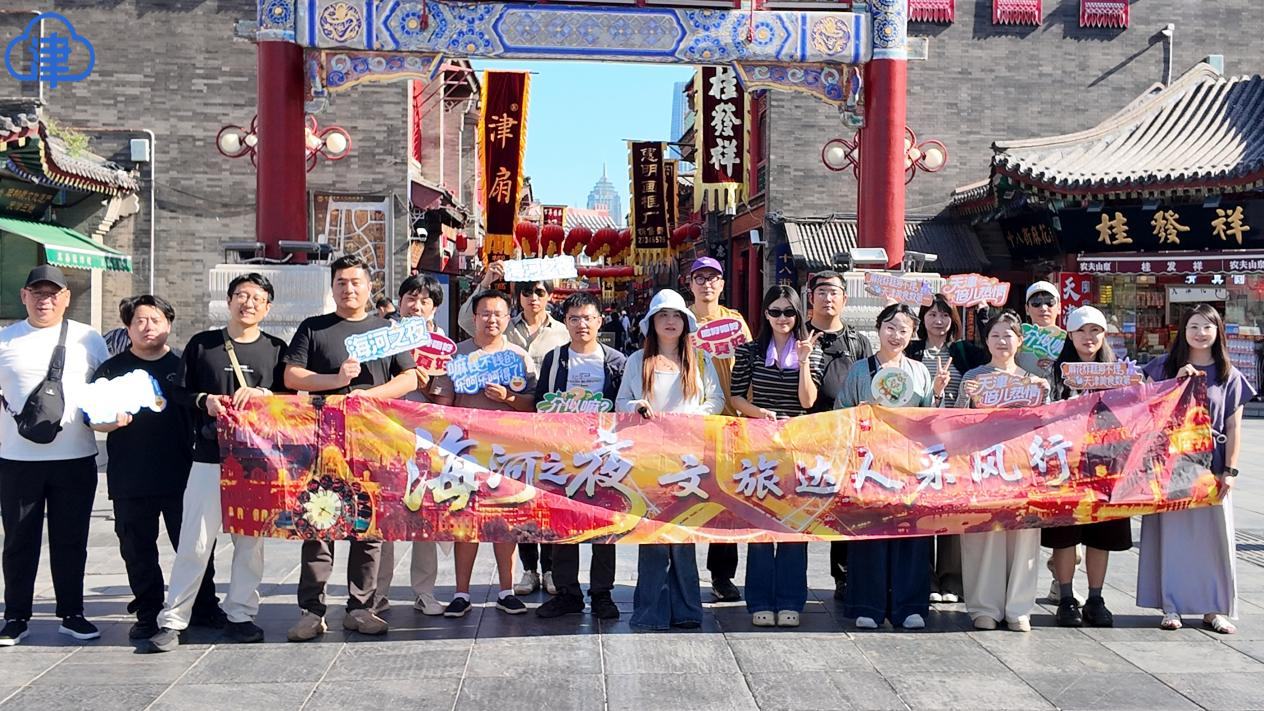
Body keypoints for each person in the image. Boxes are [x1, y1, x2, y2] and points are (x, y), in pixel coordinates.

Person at [145, 274, 288, 653]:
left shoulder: (276, 350)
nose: (248, 303)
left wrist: (264, 395)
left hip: (256, 463)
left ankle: (240, 615)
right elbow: (178, 392)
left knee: (250, 544)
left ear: (268, 307)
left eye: (257, 298)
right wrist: (203, 400)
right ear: (229, 300)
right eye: (241, 295)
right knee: (194, 542)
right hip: (209, 458)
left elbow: (291, 400)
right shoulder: (202, 345)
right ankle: (173, 620)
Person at [284, 256, 419, 642]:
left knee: (368, 522)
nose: (349, 289)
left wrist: (369, 396)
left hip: (373, 438)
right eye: (341, 282)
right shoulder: (314, 328)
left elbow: (410, 377)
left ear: (369, 286)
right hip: (323, 438)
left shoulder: (386, 329)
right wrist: (335, 380)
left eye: (356, 282)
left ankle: (361, 607)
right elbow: (292, 375)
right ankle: (312, 611)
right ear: (332, 287)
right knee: (317, 518)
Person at [90, 295, 224, 642]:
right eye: (139, 321)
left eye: (155, 320)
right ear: (128, 328)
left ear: (168, 324)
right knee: (136, 548)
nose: (147, 327)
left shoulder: (185, 366)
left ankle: (203, 606)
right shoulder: (111, 370)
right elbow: (91, 417)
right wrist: (109, 423)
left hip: (182, 474)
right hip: (130, 475)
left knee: (195, 546)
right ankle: (148, 611)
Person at [0, 266, 108, 646]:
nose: (44, 300)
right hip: (17, 460)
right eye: (37, 293)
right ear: (24, 296)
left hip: (75, 456)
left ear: (65, 298)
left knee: (71, 538)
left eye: (52, 293)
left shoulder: (89, 339)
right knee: (18, 540)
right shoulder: (5, 340)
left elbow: (105, 390)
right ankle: (16, 616)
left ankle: (72, 613)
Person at [1139, 303, 1252, 634]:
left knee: (1214, 538)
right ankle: (1171, 606)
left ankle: (1213, 608)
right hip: (1170, 465)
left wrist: (1230, 470)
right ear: (1182, 331)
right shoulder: (1163, 367)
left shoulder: (1230, 375)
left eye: (1207, 327)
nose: (1200, 333)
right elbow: (1145, 412)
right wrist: (1173, 385)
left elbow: (1234, 427)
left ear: (1218, 332)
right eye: (1193, 326)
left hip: (1211, 466)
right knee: (1171, 538)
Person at [460, 262, 569, 596]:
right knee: (514, 502)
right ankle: (528, 570)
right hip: (505, 430)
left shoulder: (562, 330)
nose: (533, 297)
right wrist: (487, 281)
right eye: (526, 292)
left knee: (544, 498)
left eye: (539, 292)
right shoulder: (505, 325)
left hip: (544, 421)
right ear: (518, 298)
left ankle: (550, 569)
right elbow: (468, 319)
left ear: (549, 296)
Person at [619, 289, 725, 630]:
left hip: (689, 460)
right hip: (650, 459)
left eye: (676, 315)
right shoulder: (637, 361)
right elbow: (621, 401)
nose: (670, 321)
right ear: (652, 323)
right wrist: (636, 407)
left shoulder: (701, 360)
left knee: (682, 535)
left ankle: (687, 611)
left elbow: (716, 400)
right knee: (652, 536)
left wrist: (691, 418)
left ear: (685, 323)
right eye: (663, 315)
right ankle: (650, 612)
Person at [838, 304, 948, 630]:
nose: (896, 335)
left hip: (908, 464)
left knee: (911, 534)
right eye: (890, 327)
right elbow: (841, 411)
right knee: (869, 534)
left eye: (903, 330)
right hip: (869, 464)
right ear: (878, 329)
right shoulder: (860, 370)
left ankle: (909, 605)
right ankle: (867, 605)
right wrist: (858, 413)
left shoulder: (920, 370)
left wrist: (937, 393)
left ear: (912, 334)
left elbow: (930, 418)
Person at [430, 289, 538, 618]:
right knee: (466, 521)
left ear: (508, 318)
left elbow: (533, 406)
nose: (492, 320)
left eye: (498, 314)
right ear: (474, 318)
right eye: (485, 314)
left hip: (507, 453)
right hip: (464, 452)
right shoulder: (456, 355)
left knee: (506, 521)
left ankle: (506, 590)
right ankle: (461, 593)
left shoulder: (519, 357)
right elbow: (442, 405)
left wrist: (508, 397)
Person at [728, 286, 823, 628]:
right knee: (761, 526)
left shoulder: (812, 348)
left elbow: (808, 401)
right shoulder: (749, 351)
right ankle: (759, 601)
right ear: (765, 314)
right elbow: (736, 397)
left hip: (798, 445)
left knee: (794, 526)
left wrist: (805, 359)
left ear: (798, 314)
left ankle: (791, 600)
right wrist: (760, 413)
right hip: (761, 445)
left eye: (789, 312)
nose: (782, 318)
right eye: (775, 311)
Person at [533, 292, 626, 621]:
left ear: (600, 321)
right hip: (563, 454)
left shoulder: (615, 360)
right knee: (563, 523)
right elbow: (541, 402)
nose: (581, 324)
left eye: (588, 318)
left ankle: (602, 593)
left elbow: (624, 405)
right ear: (566, 322)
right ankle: (567, 592)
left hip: (603, 454)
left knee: (604, 525)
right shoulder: (555, 358)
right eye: (574, 318)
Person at [955, 310, 1049, 632]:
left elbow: (1047, 426)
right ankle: (984, 606)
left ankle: (1018, 608)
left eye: (1008, 335)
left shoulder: (1033, 380)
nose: (1001, 341)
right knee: (983, 537)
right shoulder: (974, 377)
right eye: (994, 335)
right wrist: (965, 400)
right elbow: (953, 423)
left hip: (1023, 468)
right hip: (983, 467)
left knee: (1024, 536)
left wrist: (1044, 396)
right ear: (986, 341)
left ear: (1020, 341)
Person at [1043, 306, 1137, 628]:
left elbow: (1135, 413)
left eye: (1095, 330)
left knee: (1101, 534)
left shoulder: (1118, 372)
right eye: (1081, 331)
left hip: (1106, 465)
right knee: (1064, 535)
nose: (1089, 337)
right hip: (1065, 465)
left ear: (1104, 335)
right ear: (1069, 335)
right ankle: (1066, 598)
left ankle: (1096, 598)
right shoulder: (1054, 374)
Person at [372, 274, 448, 618]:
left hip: (425, 437)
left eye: (424, 301)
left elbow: (445, 395)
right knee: (383, 513)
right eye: (410, 299)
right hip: (384, 434)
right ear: (400, 302)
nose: (416, 306)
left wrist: (431, 387)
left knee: (424, 511)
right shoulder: (382, 336)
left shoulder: (442, 344)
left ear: (434, 307)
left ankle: (424, 590)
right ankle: (377, 592)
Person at [905, 295, 982, 604]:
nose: (939, 321)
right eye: (932, 314)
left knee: (952, 508)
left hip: (956, 442)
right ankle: (925, 577)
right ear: (922, 318)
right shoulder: (912, 350)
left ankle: (952, 578)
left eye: (945, 315)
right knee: (921, 509)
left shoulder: (964, 352)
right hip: (918, 441)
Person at [685, 256, 753, 603]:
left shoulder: (735, 321)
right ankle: (679, 573)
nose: (707, 284)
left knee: (727, 501)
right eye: (700, 278)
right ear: (690, 284)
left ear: (722, 284)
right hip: (690, 420)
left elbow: (750, 363)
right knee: (684, 494)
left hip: (732, 419)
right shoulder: (681, 319)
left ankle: (721, 575)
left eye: (713, 278)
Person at [805, 269, 874, 601]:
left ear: (845, 299)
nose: (827, 298)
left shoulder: (858, 341)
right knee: (798, 506)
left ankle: (843, 576)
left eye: (834, 292)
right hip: (804, 433)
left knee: (845, 507)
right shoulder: (799, 334)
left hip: (846, 437)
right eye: (821, 291)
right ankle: (791, 580)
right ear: (811, 297)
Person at [1017, 280, 1063, 380]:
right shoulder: (1017, 340)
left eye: (1050, 302)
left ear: (1059, 307)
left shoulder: (1070, 340)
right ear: (1027, 309)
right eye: (1036, 302)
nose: (1043, 308)